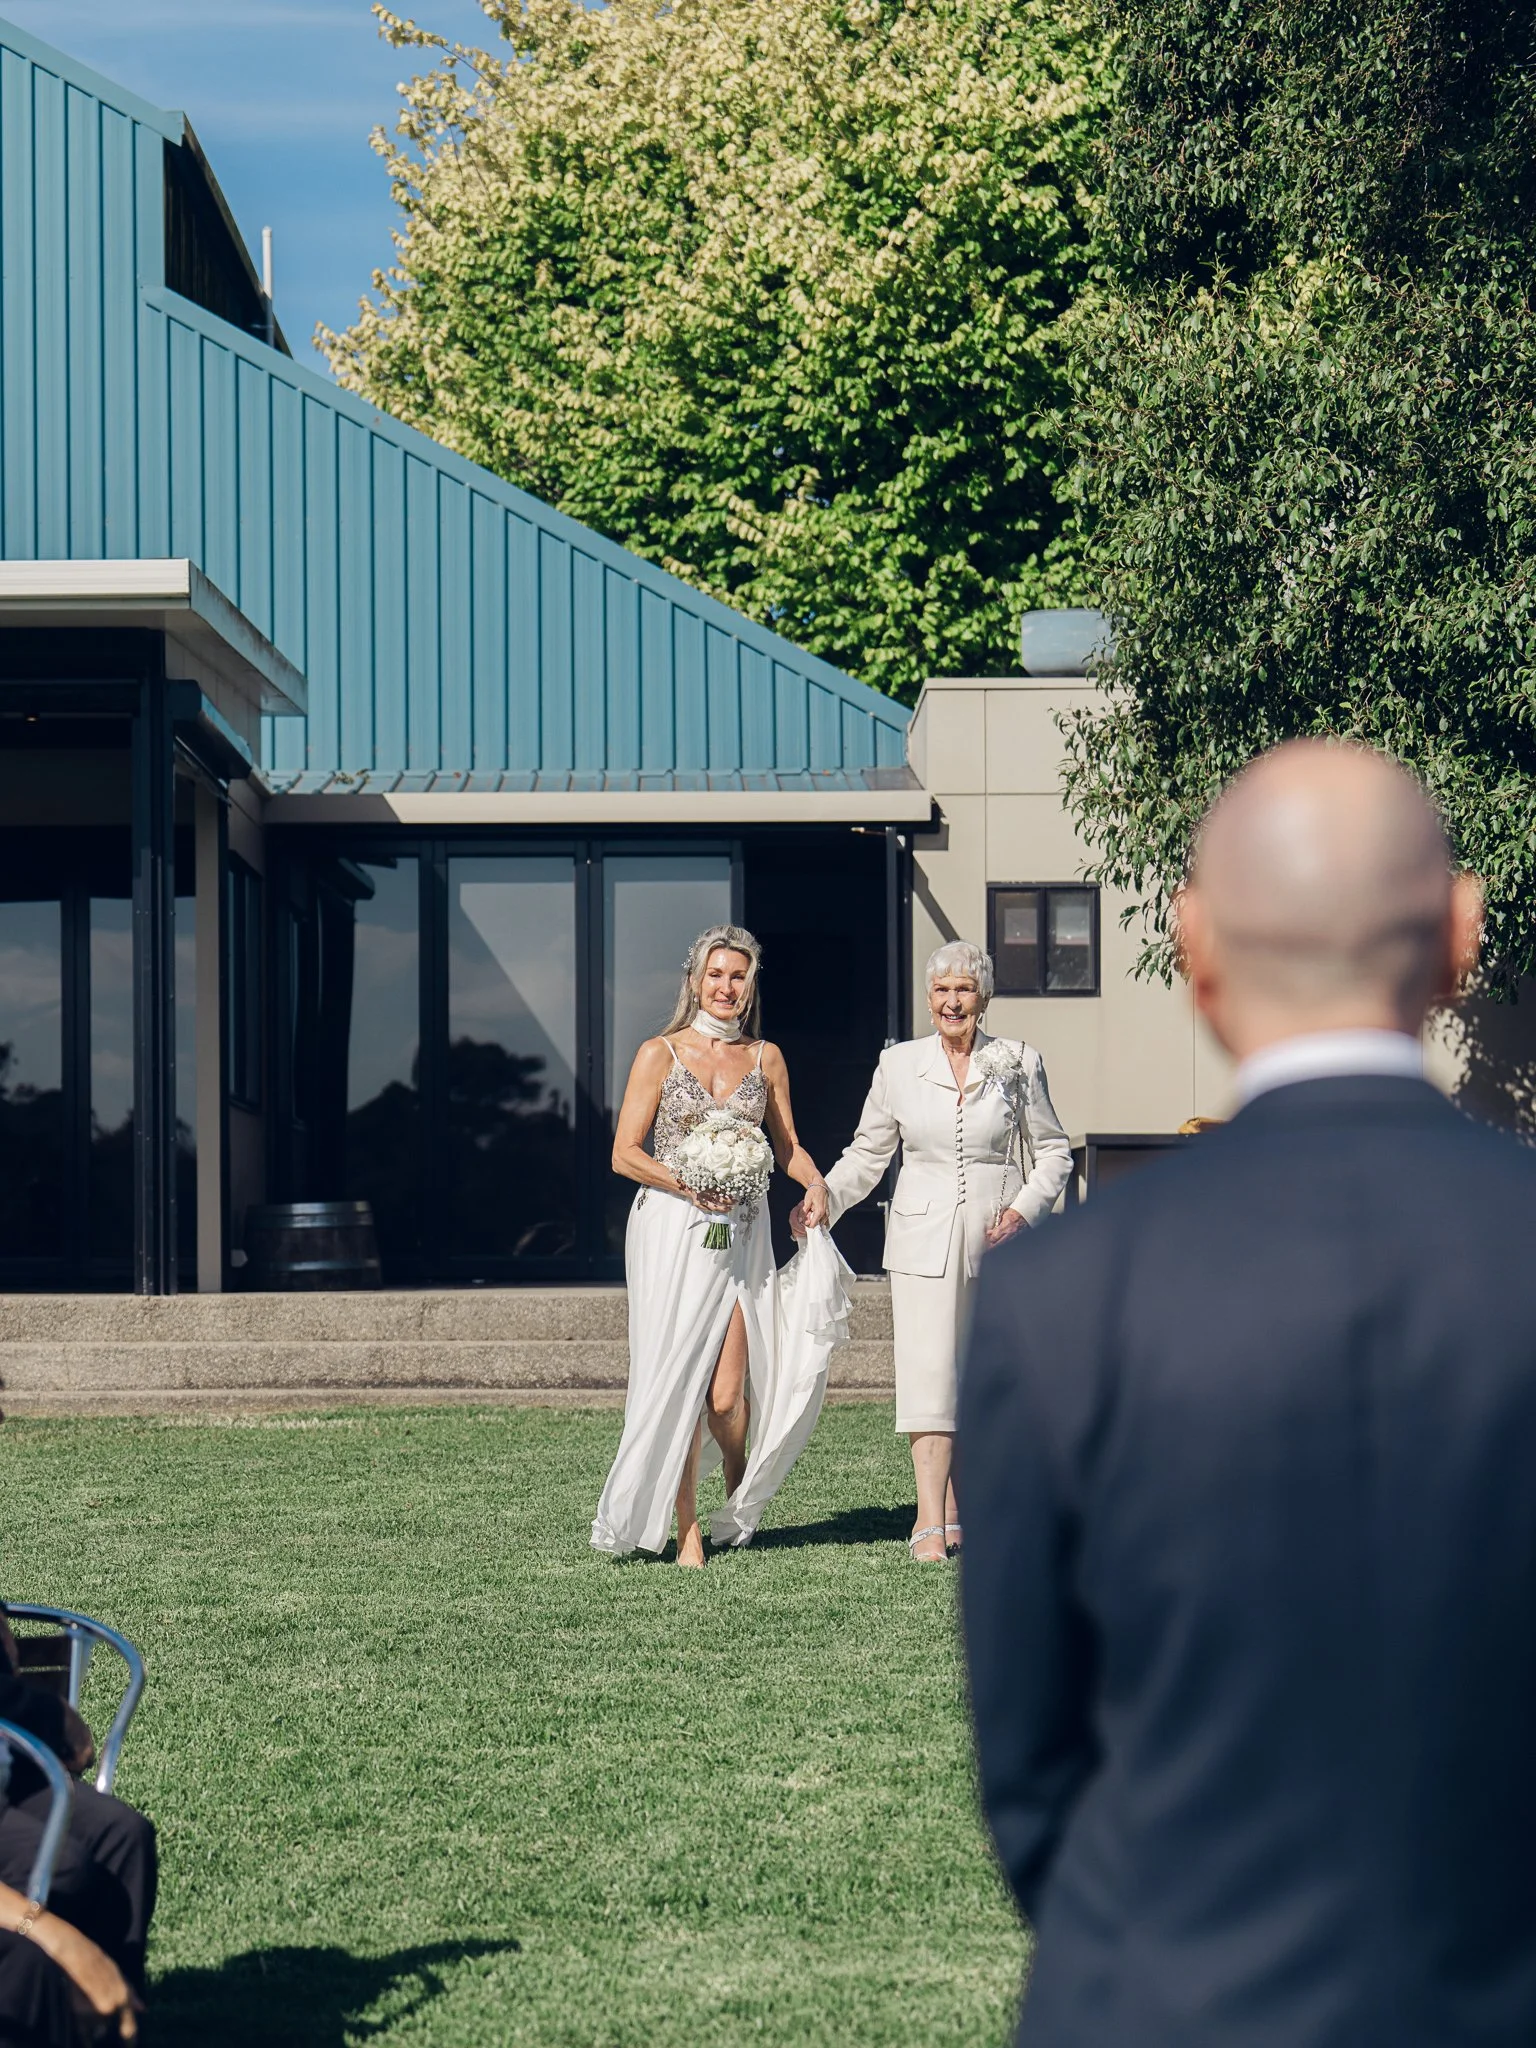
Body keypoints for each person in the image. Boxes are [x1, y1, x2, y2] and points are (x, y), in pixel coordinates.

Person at [956, 739, 1536, 2047]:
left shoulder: (1058, 1296)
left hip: (1161, 1998)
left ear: (1192, 947)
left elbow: (1031, 1763)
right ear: (1461, 936)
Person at [800, 941, 1072, 1562]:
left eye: (965, 990)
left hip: (998, 1242)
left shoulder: (1019, 1060)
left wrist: (1024, 1212)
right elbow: (869, 1153)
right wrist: (826, 1197)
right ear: (928, 1000)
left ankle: (966, 1506)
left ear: (984, 997)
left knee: (983, 1376)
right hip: (920, 1241)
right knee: (927, 1374)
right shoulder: (897, 1066)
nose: (954, 1001)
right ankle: (930, 1517)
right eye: (943, 990)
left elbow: (1054, 1151)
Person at [592, 925, 835, 1566]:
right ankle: (688, 1526)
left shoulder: (766, 1057)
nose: (726, 987)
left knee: (727, 1394)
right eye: (716, 975)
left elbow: (787, 1148)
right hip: (672, 1231)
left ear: (750, 984)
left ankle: (736, 1482)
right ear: (695, 981)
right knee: (676, 1381)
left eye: (738, 976)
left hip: (745, 1236)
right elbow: (624, 1154)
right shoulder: (659, 1053)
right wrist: (690, 1183)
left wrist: (815, 1184)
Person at [0, 1612, 156, 2006]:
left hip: (9, 1761)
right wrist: (47, 1718)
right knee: (61, 1866)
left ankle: (120, 2017)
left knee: (122, 1834)